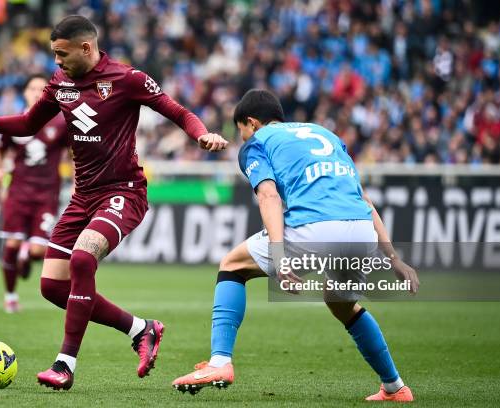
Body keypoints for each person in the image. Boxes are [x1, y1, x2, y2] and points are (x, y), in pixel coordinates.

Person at [0, 15, 228, 390]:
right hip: (83, 196)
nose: (56, 62)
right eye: (53, 55)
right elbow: (28, 124)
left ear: (86, 47)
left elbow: (177, 111)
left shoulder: (127, 79)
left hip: (124, 192)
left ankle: (64, 365)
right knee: (52, 287)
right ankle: (141, 329)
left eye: (61, 54)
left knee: (82, 260)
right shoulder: (60, 84)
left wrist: (202, 135)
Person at [172, 89, 419, 402]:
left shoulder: (258, 143)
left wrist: (280, 256)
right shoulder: (327, 135)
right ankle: (395, 387)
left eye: (242, 130)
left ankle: (219, 362)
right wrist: (395, 259)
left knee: (232, 266)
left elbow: (269, 196)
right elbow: (364, 199)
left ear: (252, 123)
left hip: (315, 229)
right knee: (341, 302)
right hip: (361, 232)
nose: (243, 137)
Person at [0, 73, 70, 313]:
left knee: (36, 250)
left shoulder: (59, 122)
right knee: (12, 244)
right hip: (18, 191)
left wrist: (77, 182)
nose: (36, 92)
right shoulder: (15, 122)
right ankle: (10, 296)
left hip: (47, 194)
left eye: (41, 88)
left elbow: (74, 155)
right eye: (32, 88)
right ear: (25, 93)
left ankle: (27, 253)